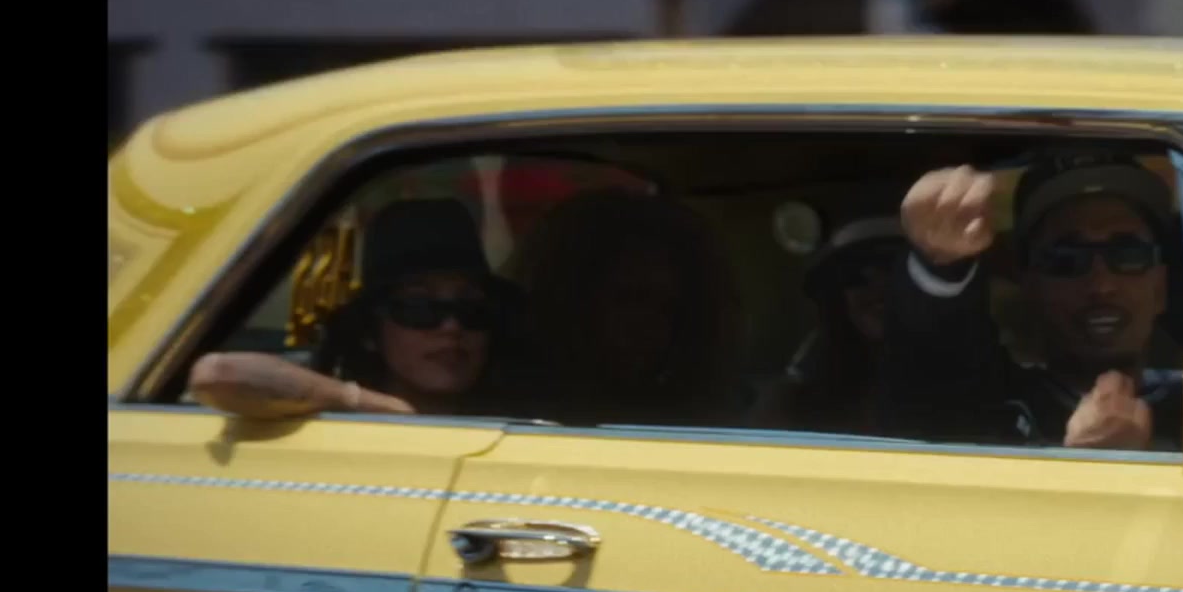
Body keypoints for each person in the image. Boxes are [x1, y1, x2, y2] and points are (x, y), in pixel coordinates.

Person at [882, 150, 1183, 451]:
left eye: (1129, 255)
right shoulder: (984, 403)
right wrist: (942, 263)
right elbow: (935, 360)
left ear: (1160, 286)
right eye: (1066, 258)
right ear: (1029, 284)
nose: (1102, 285)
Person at [190, 198, 529, 420]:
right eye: (418, 307)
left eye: (472, 309)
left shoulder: (526, 425)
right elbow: (217, 374)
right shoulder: (345, 422)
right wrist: (377, 407)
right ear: (370, 332)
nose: (452, 327)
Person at [511, 189, 744, 427]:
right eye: (630, 299)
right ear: (573, 300)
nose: (651, 324)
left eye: (668, 308)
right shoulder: (510, 409)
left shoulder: (696, 418)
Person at [751, 214, 907, 436]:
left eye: (892, 267)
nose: (877, 286)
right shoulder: (790, 403)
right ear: (836, 299)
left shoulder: (952, 385)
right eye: (853, 275)